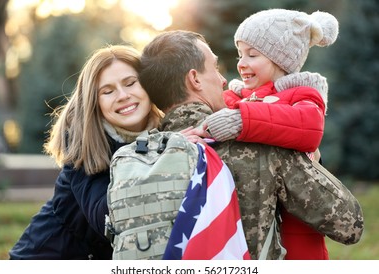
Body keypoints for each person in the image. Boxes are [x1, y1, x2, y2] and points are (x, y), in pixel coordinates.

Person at [139, 30, 364, 260]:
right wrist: (308, 158)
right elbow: (349, 224)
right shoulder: (258, 142)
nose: (223, 80)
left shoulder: (141, 154)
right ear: (195, 79)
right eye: (215, 68)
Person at [197, 9, 339, 260]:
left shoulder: (302, 96)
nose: (242, 62)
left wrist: (243, 120)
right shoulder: (233, 98)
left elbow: (309, 128)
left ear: (281, 60)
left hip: (293, 232)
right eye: (241, 53)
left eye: (252, 54)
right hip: (247, 225)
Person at [9, 45, 163, 259]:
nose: (123, 95)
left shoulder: (167, 133)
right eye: (108, 91)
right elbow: (108, 219)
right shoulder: (83, 145)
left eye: (130, 83)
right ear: (95, 101)